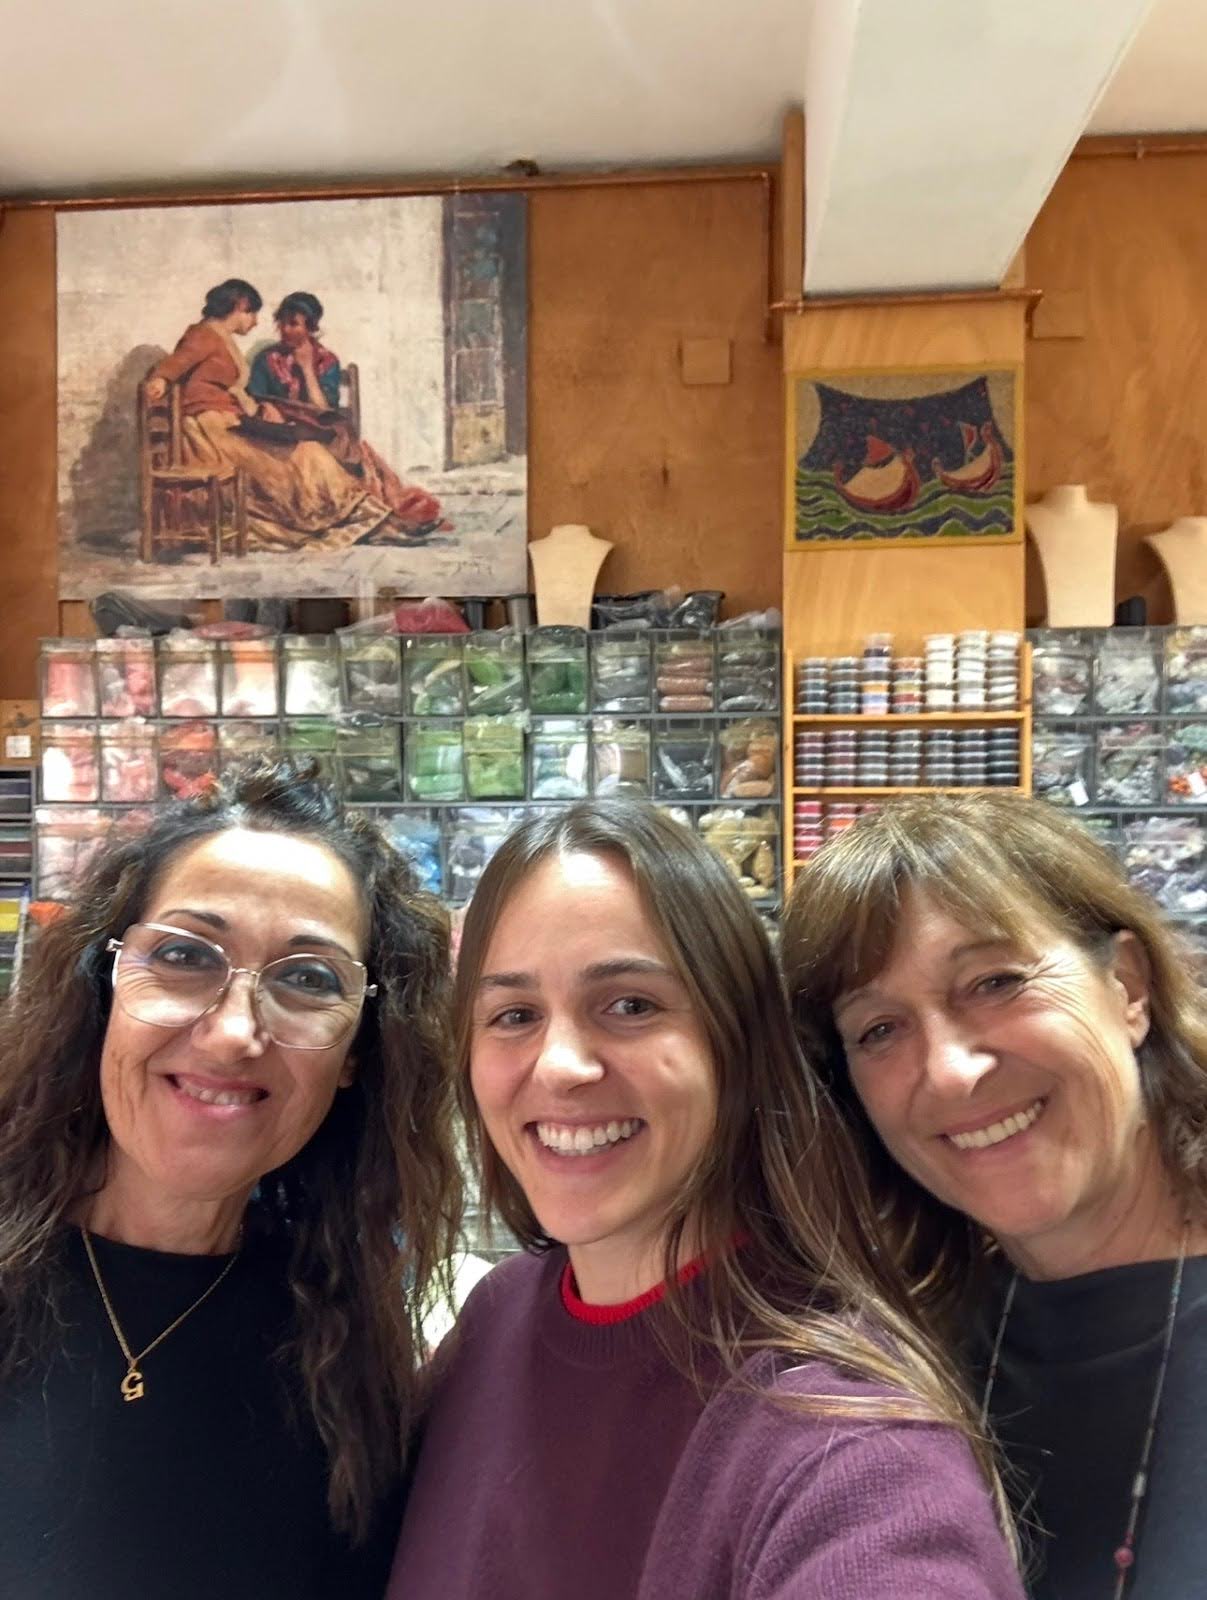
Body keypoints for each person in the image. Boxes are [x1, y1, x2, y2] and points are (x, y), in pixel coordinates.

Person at [388, 800, 1024, 1599]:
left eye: (629, 1005)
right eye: (513, 1015)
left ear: (735, 1045)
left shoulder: (850, 1438)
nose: (558, 1066)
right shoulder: (495, 1320)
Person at [0, 758, 461, 1600]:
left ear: (359, 1049)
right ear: (104, 987)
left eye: (308, 978)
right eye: (183, 956)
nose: (231, 1034)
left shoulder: (350, 1350)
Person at [781, 793, 1207, 1600]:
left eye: (994, 981)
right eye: (877, 1029)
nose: (949, 1070)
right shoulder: (889, 1358)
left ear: (1126, 987)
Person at [145, 280, 415, 552]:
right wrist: (161, 380)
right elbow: (178, 362)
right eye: (251, 313)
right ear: (239, 307)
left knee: (310, 453)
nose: (255, 322)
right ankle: (374, 524)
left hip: (229, 423)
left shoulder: (222, 337)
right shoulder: (204, 335)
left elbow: (323, 408)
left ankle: (380, 522)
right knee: (295, 460)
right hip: (210, 431)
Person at [248, 289, 446, 536]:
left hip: (320, 430)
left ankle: (382, 522)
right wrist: (267, 408)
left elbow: (324, 411)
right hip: (280, 435)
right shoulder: (266, 360)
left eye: (294, 324)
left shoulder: (327, 361)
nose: (286, 330)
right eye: (283, 323)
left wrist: (307, 369)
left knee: (344, 451)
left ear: (311, 328)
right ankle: (382, 526)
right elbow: (254, 400)